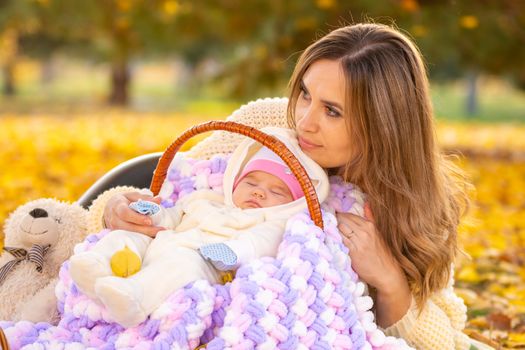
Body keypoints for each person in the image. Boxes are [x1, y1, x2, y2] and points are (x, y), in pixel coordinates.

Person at [90, 23, 489, 349]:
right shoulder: (263, 128)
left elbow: (445, 335)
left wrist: (388, 281)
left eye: (332, 111)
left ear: (385, 124)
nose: (305, 122)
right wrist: (114, 209)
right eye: (305, 95)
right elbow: (174, 190)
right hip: (176, 303)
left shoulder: (409, 203)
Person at [70, 127, 331, 327]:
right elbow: (174, 216)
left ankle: (134, 298)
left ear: (291, 203)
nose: (260, 193)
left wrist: (232, 253)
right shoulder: (208, 200)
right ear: (235, 183)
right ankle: (96, 267)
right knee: (128, 236)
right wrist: (154, 214)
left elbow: (259, 244)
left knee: (180, 265)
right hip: (162, 242)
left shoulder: (271, 223)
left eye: (277, 191)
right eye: (251, 183)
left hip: (203, 261)